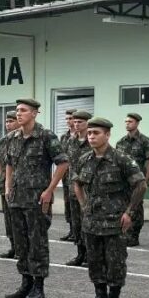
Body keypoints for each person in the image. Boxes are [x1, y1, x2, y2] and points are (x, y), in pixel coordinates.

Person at [74, 117, 147, 298]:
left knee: (115, 262)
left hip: (114, 221)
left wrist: (129, 212)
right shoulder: (84, 160)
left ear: (107, 135)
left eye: (96, 133)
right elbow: (77, 183)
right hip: (92, 221)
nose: (91, 137)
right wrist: (83, 205)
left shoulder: (121, 159)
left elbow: (141, 185)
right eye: (89, 133)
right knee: (95, 261)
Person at [4, 98, 68, 298]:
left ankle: (38, 286)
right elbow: (9, 164)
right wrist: (7, 187)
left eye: (23, 110)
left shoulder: (46, 136)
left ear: (34, 113)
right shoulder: (13, 137)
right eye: (17, 110)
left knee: (37, 243)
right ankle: (25, 283)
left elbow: (63, 163)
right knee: (21, 243)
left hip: (37, 200)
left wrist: (50, 190)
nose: (19, 114)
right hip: (16, 199)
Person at [115, 113, 149, 246]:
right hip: (122, 181)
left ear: (137, 123)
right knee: (122, 205)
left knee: (136, 206)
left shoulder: (144, 141)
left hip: (136, 180)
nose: (127, 124)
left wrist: (146, 179)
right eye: (126, 121)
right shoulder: (120, 142)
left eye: (130, 121)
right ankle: (124, 232)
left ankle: (134, 235)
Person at [65, 110, 92, 267]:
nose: (76, 124)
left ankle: (91, 255)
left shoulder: (92, 140)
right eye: (75, 121)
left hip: (88, 189)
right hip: (73, 187)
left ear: (87, 123)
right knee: (76, 223)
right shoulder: (71, 140)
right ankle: (80, 253)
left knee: (88, 222)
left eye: (80, 121)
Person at [0, 110, 19, 258]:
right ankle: (13, 246)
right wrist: (1, 176)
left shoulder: (20, 139)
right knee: (8, 218)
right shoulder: (3, 140)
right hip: (6, 183)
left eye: (11, 121)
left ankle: (21, 248)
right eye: (6, 121)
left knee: (18, 218)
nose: (8, 124)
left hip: (20, 185)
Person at [59, 108, 76, 242]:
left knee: (77, 205)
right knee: (68, 204)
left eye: (71, 118)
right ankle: (71, 230)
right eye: (67, 119)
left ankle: (77, 232)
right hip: (66, 176)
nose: (69, 121)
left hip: (76, 177)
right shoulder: (64, 137)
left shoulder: (84, 135)